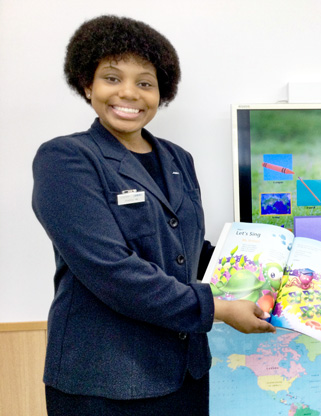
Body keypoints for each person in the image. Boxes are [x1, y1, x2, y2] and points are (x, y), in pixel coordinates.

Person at [32, 15, 275, 416]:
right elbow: (110, 269)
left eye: (145, 83)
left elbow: (186, 250)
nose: (129, 93)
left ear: (161, 93)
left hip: (186, 373)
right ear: (87, 84)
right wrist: (217, 308)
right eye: (112, 78)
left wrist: (272, 269)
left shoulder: (178, 159)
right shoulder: (66, 158)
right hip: (106, 381)